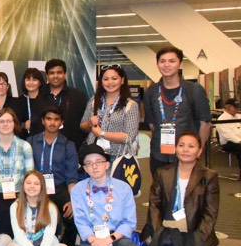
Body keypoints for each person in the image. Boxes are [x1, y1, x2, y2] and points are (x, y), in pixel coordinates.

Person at [144, 132, 219, 246]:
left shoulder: (209, 176)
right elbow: (154, 207)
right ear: (175, 149)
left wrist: (195, 241)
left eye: (191, 146)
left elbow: (210, 214)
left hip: (196, 234)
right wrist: (159, 235)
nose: (185, 150)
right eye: (181, 145)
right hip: (168, 232)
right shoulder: (162, 173)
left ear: (199, 151)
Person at [71, 144, 142, 246]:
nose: (94, 167)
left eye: (99, 162)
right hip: (91, 239)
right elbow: (81, 222)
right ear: (85, 169)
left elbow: (129, 222)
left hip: (116, 236)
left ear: (107, 165)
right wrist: (97, 244)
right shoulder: (78, 190)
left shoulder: (123, 188)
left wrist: (107, 241)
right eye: (89, 164)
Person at [143, 47, 211, 176]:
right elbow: (152, 124)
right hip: (159, 153)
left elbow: (205, 123)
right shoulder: (151, 92)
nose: (167, 65)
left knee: (187, 192)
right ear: (157, 64)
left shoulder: (194, 90)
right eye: (162, 61)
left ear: (180, 64)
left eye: (172, 61)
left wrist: (198, 149)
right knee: (160, 191)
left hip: (186, 153)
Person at [4, 170, 76, 246]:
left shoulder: (50, 207)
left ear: (42, 187)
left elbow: (49, 235)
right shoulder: (15, 206)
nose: (32, 186)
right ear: (23, 185)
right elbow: (18, 236)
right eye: (28, 183)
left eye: (36, 184)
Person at [29, 106, 79, 246]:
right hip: (36, 188)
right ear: (43, 121)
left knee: (72, 212)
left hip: (59, 188)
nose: (52, 123)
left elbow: (71, 177)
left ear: (61, 122)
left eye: (56, 119)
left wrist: (74, 200)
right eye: (49, 119)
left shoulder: (68, 145)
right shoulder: (31, 142)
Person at [0, 108, 34, 238]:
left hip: (18, 196)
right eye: (1, 121)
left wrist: (27, 202)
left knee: (18, 235)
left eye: (9, 121)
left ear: (14, 124)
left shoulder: (25, 146)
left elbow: (29, 177)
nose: (5, 124)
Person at [80, 65, 140, 161]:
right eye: (106, 79)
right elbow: (82, 126)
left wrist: (102, 133)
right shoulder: (94, 101)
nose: (110, 82)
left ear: (122, 80)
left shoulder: (130, 105)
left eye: (114, 78)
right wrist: (90, 124)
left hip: (118, 157)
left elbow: (129, 137)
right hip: (93, 155)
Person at [39, 59, 88, 148]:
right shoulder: (38, 96)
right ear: (47, 75)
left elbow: (83, 125)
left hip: (71, 148)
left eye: (59, 72)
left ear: (65, 74)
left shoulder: (78, 96)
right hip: (43, 148)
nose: (55, 76)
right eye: (51, 73)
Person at [21, 67, 48, 137]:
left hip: (43, 140)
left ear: (40, 83)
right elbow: (15, 122)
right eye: (28, 79)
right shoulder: (19, 101)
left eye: (34, 80)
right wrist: (24, 125)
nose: (31, 83)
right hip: (24, 141)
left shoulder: (47, 100)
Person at [216, 98, 241, 172]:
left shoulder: (238, 116)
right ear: (228, 107)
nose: (237, 109)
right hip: (229, 143)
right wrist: (239, 141)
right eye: (235, 107)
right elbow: (228, 135)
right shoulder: (222, 119)